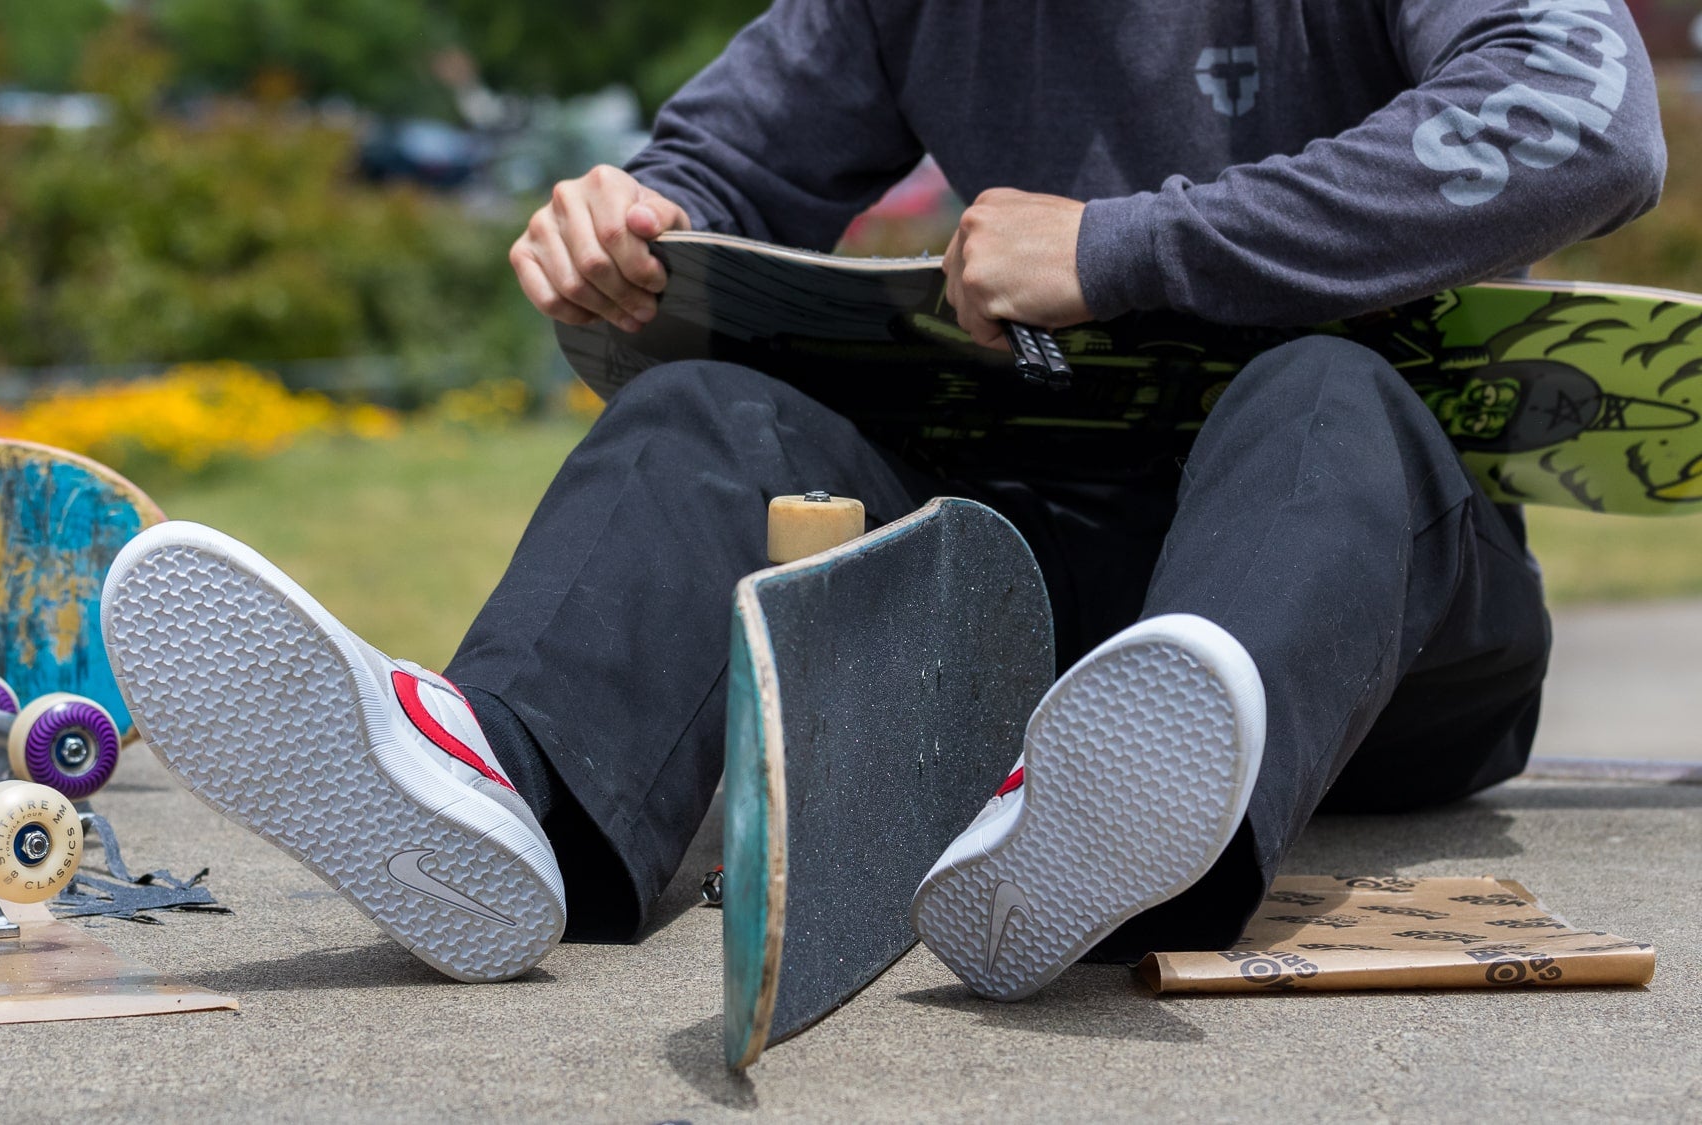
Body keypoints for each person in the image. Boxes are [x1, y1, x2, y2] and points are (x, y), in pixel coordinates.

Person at [100, 0, 1665, 990]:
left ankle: (1148, 823)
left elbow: (1586, 117)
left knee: (1318, 391)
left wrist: (1127, 249)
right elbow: (707, 184)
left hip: (1373, 617)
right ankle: (505, 795)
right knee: (713, 408)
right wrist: (617, 241)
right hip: (1031, 616)